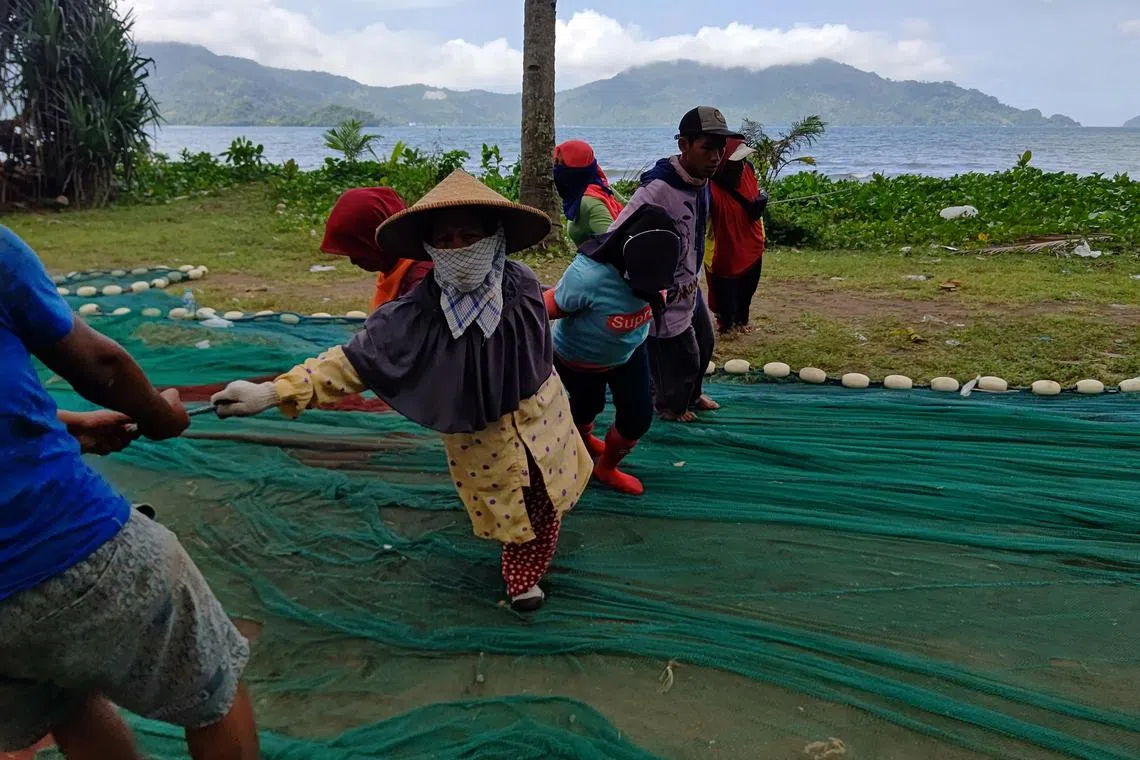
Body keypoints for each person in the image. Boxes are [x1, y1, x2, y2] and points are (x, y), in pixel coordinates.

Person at [211, 170, 593, 613]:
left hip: (542, 414)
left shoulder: (523, 283)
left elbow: (540, 344)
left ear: (495, 237)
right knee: (512, 507)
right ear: (429, 247)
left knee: (548, 495)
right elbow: (356, 360)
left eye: (469, 235)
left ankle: (527, 568)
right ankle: (522, 572)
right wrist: (274, 393)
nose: (457, 248)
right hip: (481, 434)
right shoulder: (417, 311)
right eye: (445, 238)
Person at [0, 227, 259, 760]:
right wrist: (163, 417)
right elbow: (101, 364)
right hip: (57, 538)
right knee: (213, 684)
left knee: (62, 700)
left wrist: (70, 425)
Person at [610, 106, 737, 422]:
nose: (715, 157)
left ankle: (691, 395)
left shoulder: (700, 179)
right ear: (683, 145)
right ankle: (669, 407)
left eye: (720, 149)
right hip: (664, 296)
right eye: (706, 147)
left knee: (704, 344)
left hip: (689, 287)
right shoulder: (657, 190)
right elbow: (617, 234)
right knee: (678, 356)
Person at [544, 204, 682, 496]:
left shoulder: (665, 262)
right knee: (585, 408)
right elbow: (553, 305)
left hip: (630, 353)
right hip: (578, 360)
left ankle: (605, 468)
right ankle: (582, 438)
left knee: (637, 419)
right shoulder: (588, 276)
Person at [321, 187, 434, 310]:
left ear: (381, 239)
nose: (353, 261)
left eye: (360, 250)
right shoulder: (393, 267)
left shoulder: (421, 278)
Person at [706, 138, 768, 333]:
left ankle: (742, 320)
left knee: (748, 285)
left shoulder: (747, 170)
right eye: (735, 162)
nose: (740, 165)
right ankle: (726, 325)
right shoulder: (708, 186)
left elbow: (753, 192)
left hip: (752, 241)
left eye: (742, 160)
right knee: (725, 290)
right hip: (724, 248)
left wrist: (760, 200)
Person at [552, 140, 625, 245]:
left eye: (560, 164)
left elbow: (613, 244)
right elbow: (630, 207)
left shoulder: (589, 201)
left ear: (575, 171)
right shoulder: (602, 188)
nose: (555, 168)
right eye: (556, 163)